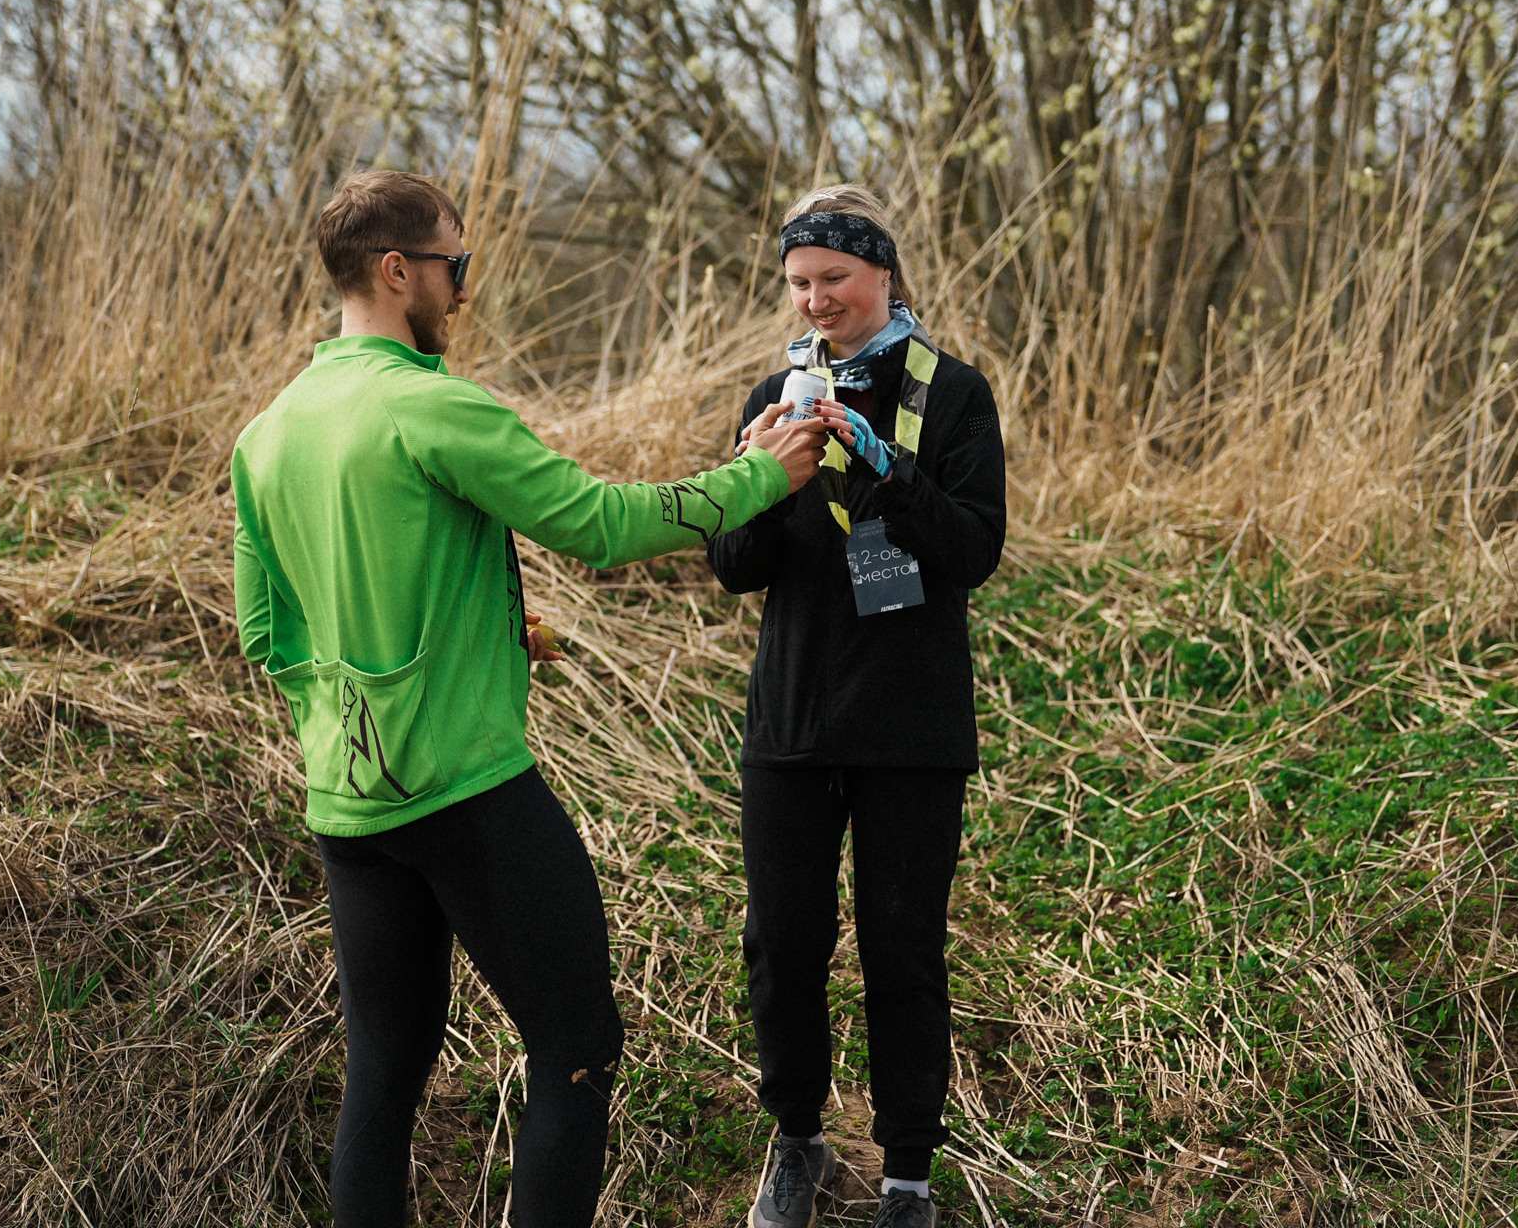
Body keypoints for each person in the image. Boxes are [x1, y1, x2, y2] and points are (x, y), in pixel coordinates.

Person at [231, 169, 831, 1228]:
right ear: (396, 270)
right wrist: (758, 478)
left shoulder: (267, 435)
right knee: (575, 1046)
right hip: (469, 789)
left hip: (349, 804)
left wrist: (457, 652)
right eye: (455, 267)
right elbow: (600, 525)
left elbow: (269, 634)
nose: (463, 290)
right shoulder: (431, 406)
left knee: (384, 1071)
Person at [706, 186, 1008, 1228]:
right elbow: (734, 568)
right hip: (791, 722)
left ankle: (908, 1175)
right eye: (798, 282)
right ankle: (796, 1142)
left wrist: (881, 464)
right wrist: (754, 474)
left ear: (884, 274)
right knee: (782, 941)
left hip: (911, 725)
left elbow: (973, 550)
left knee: (902, 944)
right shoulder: (771, 391)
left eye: (833, 277)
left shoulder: (955, 394)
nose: (816, 299)